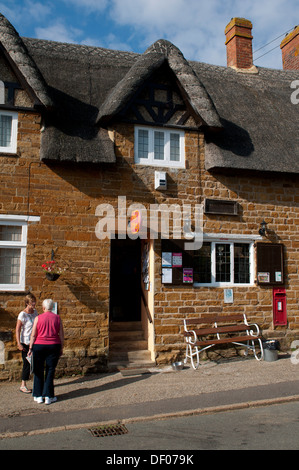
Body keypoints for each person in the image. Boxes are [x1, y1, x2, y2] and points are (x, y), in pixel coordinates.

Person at [28, 299, 64, 405]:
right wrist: (61, 347)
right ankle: (48, 396)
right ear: (52, 307)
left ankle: (38, 395)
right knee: (50, 371)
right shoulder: (57, 318)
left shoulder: (38, 318)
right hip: (53, 346)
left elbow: (33, 334)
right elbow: (61, 335)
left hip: (39, 345)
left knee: (38, 370)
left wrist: (30, 348)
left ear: (43, 308)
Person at [16, 293, 38, 393]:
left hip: (34, 341)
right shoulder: (22, 314)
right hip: (25, 342)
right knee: (27, 364)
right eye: (32, 302)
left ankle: (37, 383)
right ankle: (23, 385)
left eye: (34, 301)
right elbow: (17, 330)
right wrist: (18, 343)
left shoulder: (35, 312)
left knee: (36, 362)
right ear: (27, 303)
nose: (34, 304)